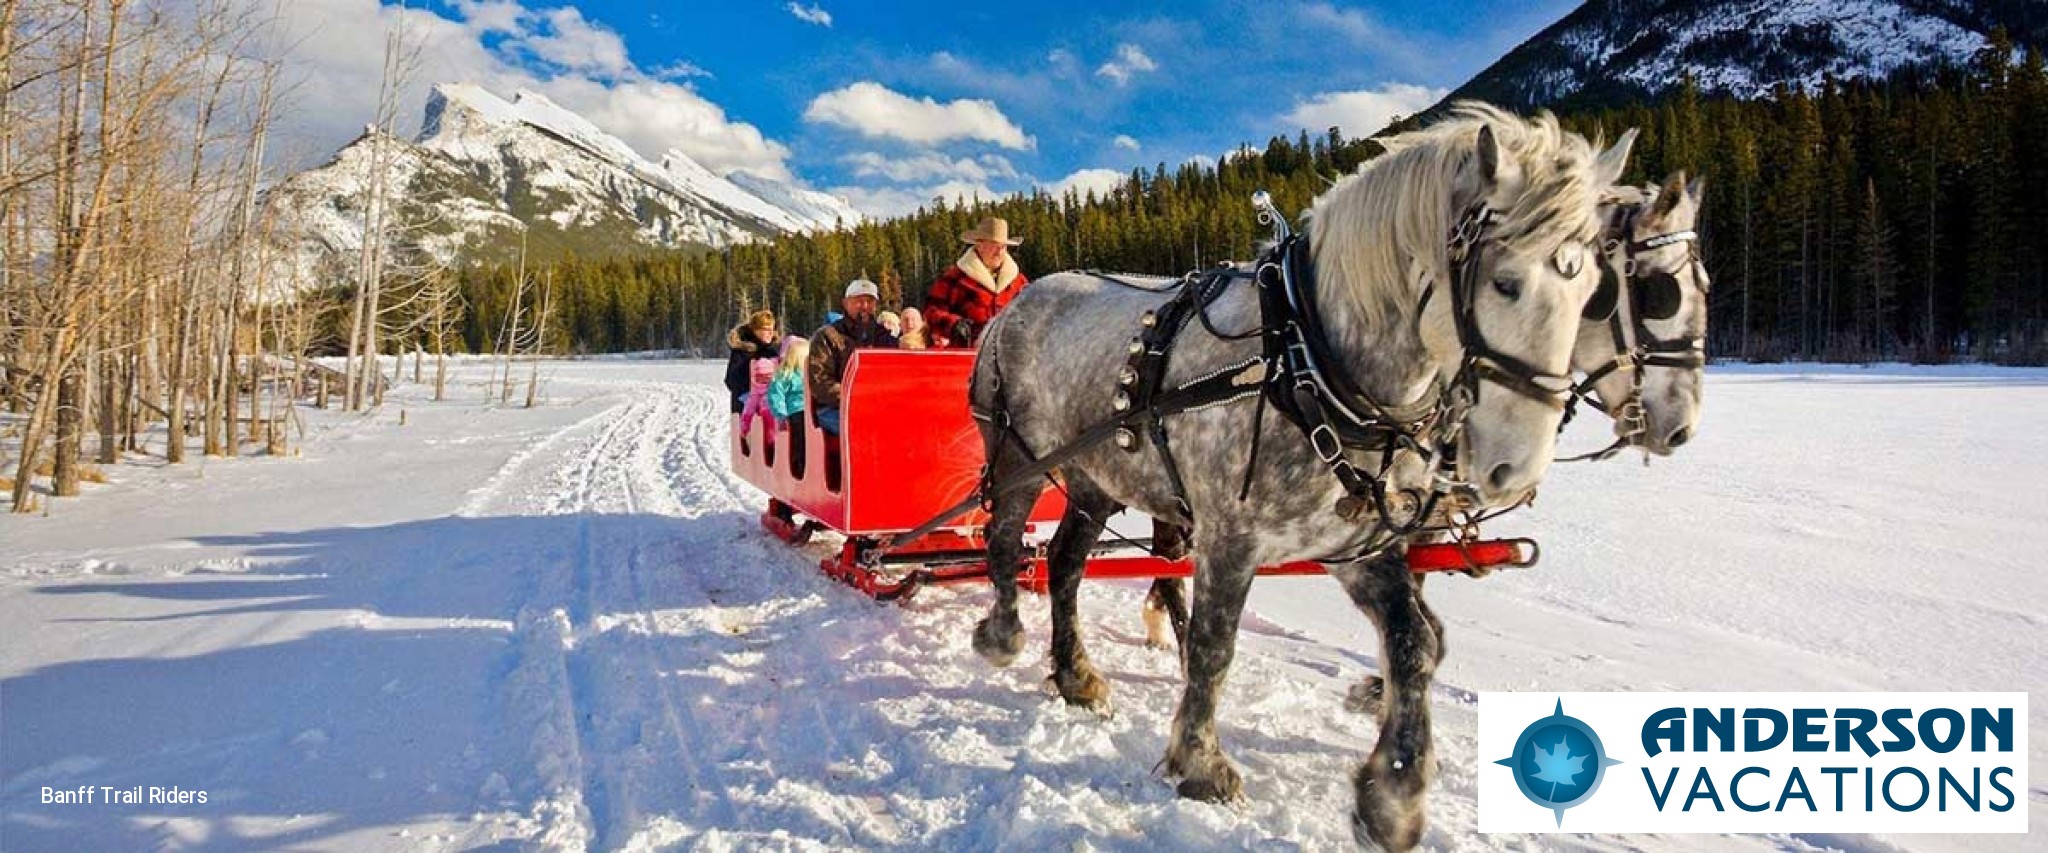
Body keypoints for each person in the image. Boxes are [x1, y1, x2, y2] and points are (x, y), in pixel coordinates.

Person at [807, 279, 897, 434]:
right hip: (835, 407)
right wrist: (855, 397)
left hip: (878, 405)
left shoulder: (884, 336)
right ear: (845, 303)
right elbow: (820, 382)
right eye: (859, 301)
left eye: (869, 301)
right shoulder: (827, 336)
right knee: (864, 428)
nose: (865, 306)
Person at [923, 216, 1028, 348]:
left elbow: (1032, 313)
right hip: (967, 356)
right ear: (979, 244)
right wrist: (954, 324)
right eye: (994, 245)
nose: (999, 251)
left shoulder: (1019, 281)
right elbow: (931, 311)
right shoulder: (956, 277)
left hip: (1009, 355)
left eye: (1003, 247)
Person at [723, 310, 778, 413]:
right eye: (766, 329)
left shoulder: (773, 351)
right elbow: (731, 380)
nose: (771, 333)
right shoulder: (742, 351)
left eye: (772, 329)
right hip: (745, 409)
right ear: (755, 330)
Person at [738, 342, 779, 446]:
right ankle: (771, 443)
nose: (764, 381)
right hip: (767, 417)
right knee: (768, 418)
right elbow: (748, 412)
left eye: (767, 377)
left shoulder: (777, 388)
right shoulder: (755, 394)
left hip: (779, 420)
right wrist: (744, 428)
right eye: (761, 378)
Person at [767, 335, 808, 425]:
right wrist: (781, 414)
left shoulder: (810, 374)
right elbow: (776, 395)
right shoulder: (786, 375)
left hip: (810, 410)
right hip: (795, 411)